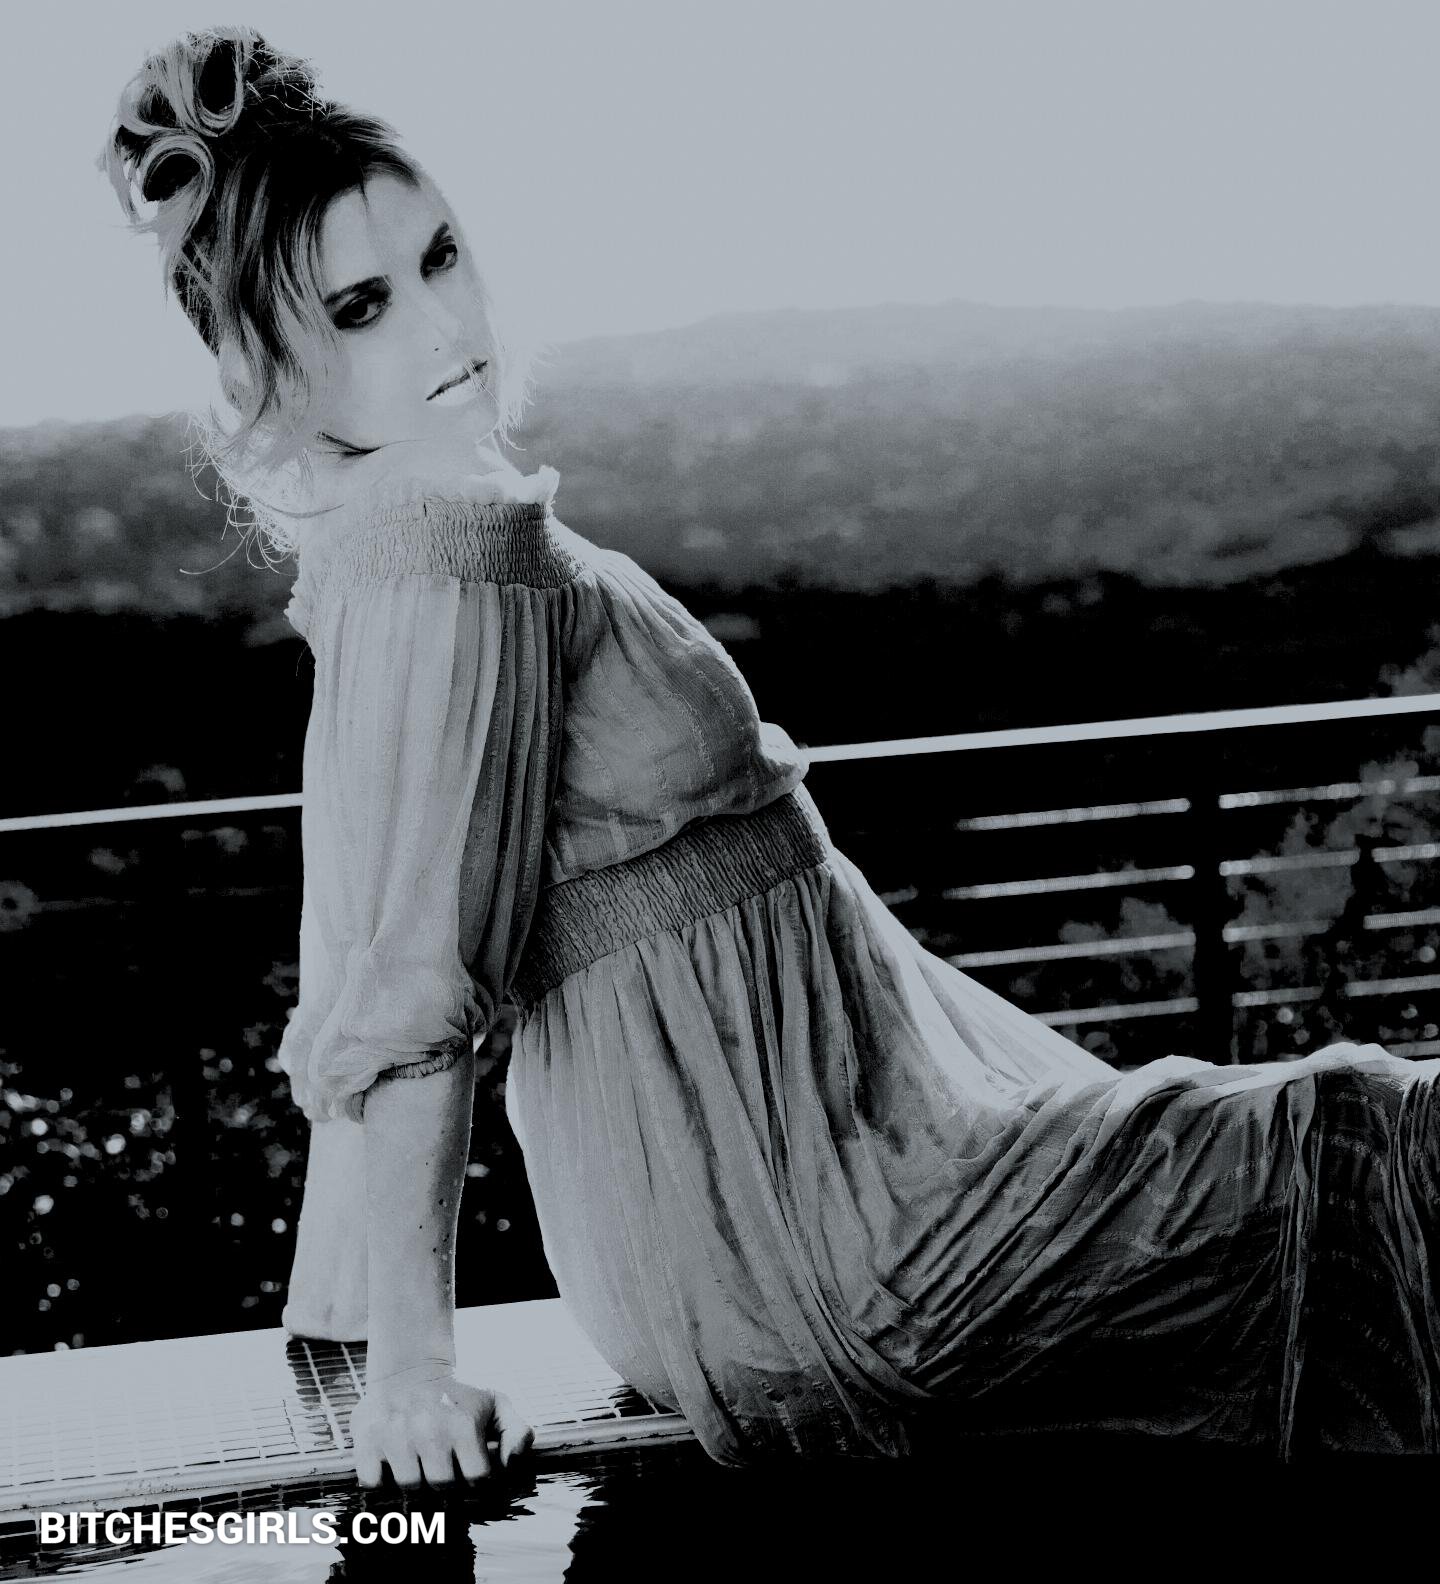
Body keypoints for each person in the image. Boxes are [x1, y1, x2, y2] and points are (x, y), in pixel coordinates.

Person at [105, 26, 1440, 1491]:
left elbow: (353, 942)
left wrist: (334, 1307)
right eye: (360, 307)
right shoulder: (449, 546)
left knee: (1344, 1148)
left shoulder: (404, 547)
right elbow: (411, 974)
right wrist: (406, 1376)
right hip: (816, 1231)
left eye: (440, 258)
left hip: (785, 1205)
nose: (441, 327)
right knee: (1366, 1144)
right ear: (275, 372)